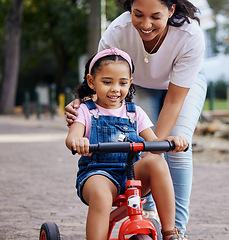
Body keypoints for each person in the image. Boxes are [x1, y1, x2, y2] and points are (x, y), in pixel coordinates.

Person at [65, 0, 207, 237]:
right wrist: (81, 105)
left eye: (155, 16)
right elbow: (101, 76)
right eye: (138, 14)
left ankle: (174, 231)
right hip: (135, 85)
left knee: (167, 156)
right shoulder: (118, 32)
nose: (146, 24)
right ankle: (145, 211)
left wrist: (172, 142)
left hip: (181, 85)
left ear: (171, 11)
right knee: (142, 155)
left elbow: (172, 104)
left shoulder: (188, 34)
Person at [65, 48, 188, 240]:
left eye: (122, 83)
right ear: (91, 82)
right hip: (98, 173)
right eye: (107, 82)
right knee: (101, 193)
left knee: (157, 162)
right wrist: (78, 141)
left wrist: (169, 141)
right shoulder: (85, 111)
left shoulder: (135, 112)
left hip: (131, 173)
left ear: (130, 83)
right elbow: (72, 137)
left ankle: (170, 232)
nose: (115, 89)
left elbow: (153, 141)